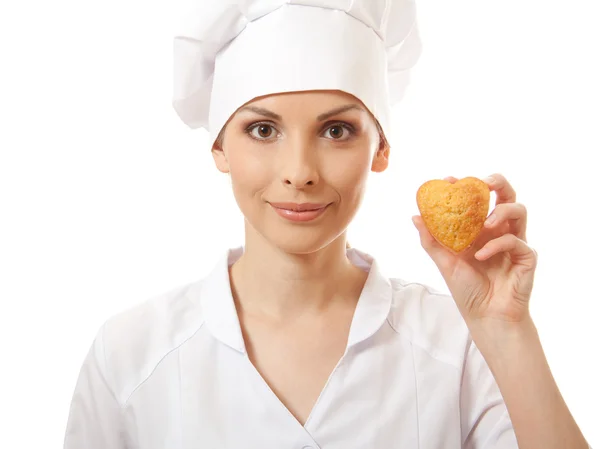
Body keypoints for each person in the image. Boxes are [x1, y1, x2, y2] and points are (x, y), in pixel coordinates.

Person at [63, 1, 592, 448]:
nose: (299, 173)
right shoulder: (131, 355)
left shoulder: (457, 344)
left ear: (379, 148)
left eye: (336, 130)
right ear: (220, 146)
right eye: (263, 129)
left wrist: (506, 332)